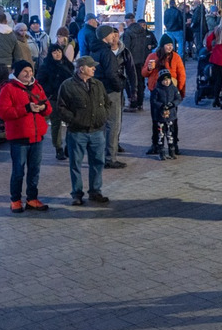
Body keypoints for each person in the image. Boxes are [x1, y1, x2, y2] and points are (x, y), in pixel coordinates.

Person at [0, 59, 52, 214]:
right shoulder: (8, 89)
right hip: (19, 138)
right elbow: (3, 113)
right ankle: (15, 200)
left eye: (30, 71)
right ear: (17, 73)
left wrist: (43, 107)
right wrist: (26, 108)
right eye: (25, 72)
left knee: (34, 170)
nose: (29, 74)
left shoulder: (37, 86)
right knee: (18, 171)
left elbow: (48, 109)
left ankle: (32, 199)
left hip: (37, 137)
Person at [56, 55, 110, 206]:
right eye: (91, 66)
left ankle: (95, 192)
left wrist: (104, 115)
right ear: (81, 69)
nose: (94, 68)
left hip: (97, 131)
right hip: (77, 132)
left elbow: (107, 102)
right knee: (76, 164)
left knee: (98, 163)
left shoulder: (98, 84)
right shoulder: (67, 86)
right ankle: (77, 194)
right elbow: (61, 107)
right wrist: (74, 120)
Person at [94, 25, 128, 168]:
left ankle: (100, 155)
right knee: (113, 124)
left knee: (102, 125)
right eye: (111, 34)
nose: (114, 37)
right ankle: (110, 158)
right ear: (105, 36)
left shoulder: (93, 50)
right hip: (110, 91)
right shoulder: (106, 53)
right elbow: (111, 73)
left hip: (99, 91)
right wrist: (119, 85)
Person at [37, 44, 75, 161]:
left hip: (68, 98)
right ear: (50, 54)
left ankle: (69, 146)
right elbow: (40, 83)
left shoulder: (68, 64)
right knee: (56, 124)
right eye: (54, 52)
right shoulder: (46, 66)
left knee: (71, 123)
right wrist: (49, 93)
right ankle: (58, 147)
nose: (57, 54)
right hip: (54, 98)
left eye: (59, 51)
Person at [122, 14, 154, 111]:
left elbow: (126, 48)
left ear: (128, 21)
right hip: (142, 59)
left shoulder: (128, 32)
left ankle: (133, 103)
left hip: (132, 60)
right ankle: (140, 103)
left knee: (131, 82)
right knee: (140, 81)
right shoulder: (142, 31)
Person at [150, 67, 182, 159]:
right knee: (161, 134)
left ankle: (171, 150)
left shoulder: (173, 89)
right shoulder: (157, 90)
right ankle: (161, 151)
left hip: (171, 116)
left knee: (170, 133)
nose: (166, 82)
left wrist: (172, 104)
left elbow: (178, 98)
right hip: (160, 117)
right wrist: (161, 106)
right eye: (164, 80)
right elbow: (154, 101)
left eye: (168, 79)